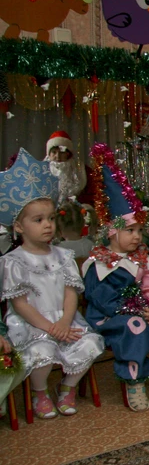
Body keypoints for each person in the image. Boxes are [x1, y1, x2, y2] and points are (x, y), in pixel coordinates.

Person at [83, 144, 149, 410]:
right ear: (111, 232)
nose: (137, 236)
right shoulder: (98, 264)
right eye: (130, 230)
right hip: (112, 316)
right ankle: (135, 381)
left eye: (139, 229)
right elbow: (101, 299)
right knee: (135, 326)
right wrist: (139, 312)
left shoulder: (144, 260)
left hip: (144, 311)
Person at [0, 149, 104, 418]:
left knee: (91, 345)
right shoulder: (13, 261)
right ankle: (40, 392)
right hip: (33, 324)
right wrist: (50, 328)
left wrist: (65, 323)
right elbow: (20, 304)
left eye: (50, 218)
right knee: (41, 351)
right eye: (38, 220)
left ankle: (67, 387)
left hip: (65, 320)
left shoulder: (64, 256)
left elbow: (71, 294)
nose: (47, 225)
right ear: (19, 227)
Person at [44, 131, 87, 203]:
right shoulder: (42, 169)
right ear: (49, 154)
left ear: (67, 154)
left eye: (61, 152)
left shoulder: (78, 169)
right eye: (54, 152)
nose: (57, 156)